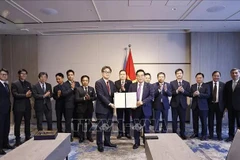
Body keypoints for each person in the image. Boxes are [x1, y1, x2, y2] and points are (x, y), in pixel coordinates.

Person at [129, 69, 154, 149]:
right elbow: (129, 96)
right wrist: (131, 104)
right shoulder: (132, 85)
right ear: (136, 77)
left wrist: (142, 102)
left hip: (145, 109)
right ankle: (137, 143)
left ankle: (146, 143)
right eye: (138, 75)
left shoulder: (149, 85)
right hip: (135, 109)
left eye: (142, 75)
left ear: (144, 76)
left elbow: (151, 96)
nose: (140, 77)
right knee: (136, 127)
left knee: (146, 127)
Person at [95, 66, 117, 152]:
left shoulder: (112, 83)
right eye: (105, 71)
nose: (107, 73)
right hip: (101, 109)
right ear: (102, 73)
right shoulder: (98, 82)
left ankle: (107, 141)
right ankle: (100, 144)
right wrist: (110, 103)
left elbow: (114, 94)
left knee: (108, 127)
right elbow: (100, 95)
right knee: (101, 127)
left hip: (109, 109)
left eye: (109, 72)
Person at [11, 69, 32, 146]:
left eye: (25, 74)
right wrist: (25, 95)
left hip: (27, 107)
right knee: (18, 124)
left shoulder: (28, 83)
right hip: (18, 107)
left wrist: (29, 95)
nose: (24, 75)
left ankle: (27, 136)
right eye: (22, 74)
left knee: (27, 122)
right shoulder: (14, 83)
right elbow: (15, 95)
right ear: (19, 74)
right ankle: (17, 139)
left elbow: (31, 94)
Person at [75, 75, 96, 143]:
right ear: (81, 81)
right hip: (81, 110)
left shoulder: (91, 89)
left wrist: (90, 98)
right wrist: (84, 98)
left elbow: (95, 97)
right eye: (83, 80)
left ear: (88, 81)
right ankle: (81, 137)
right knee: (81, 124)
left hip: (89, 109)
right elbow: (76, 99)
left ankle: (89, 136)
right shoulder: (78, 89)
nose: (85, 82)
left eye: (86, 80)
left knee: (89, 124)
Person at [170, 68, 190, 140]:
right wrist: (177, 91)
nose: (179, 74)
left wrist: (183, 91)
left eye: (180, 73)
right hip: (174, 104)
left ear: (182, 74)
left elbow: (189, 93)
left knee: (182, 120)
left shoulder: (186, 83)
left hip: (183, 105)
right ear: (175, 75)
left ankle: (182, 133)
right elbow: (170, 93)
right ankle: (174, 133)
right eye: (177, 73)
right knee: (174, 120)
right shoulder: (172, 83)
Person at [190, 72, 210, 141]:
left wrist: (199, 94)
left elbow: (208, 95)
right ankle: (195, 133)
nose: (199, 79)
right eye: (197, 78)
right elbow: (190, 94)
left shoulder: (206, 86)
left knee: (203, 121)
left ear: (203, 78)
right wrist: (193, 94)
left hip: (203, 107)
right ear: (196, 78)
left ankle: (204, 134)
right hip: (195, 106)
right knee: (195, 121)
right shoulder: (193, 86)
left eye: (200, 78)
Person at [61, 69, 80, 140]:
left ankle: (75, 133)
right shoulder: (64, 84)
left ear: (74, 75)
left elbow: (79, 92)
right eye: (69, 75)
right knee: (68, 121)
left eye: (72, 75)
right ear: (67, 76)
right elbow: (64, 94)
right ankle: (68, 136)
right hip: (68, 105)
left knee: (76, 120)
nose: (70, 76)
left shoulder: (77, 83)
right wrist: (71, 88)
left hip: (77, 105)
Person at [207, 71, 225, 140]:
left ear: (220, 76)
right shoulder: (207, 84)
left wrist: (225, 107)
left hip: (219, 105)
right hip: (210, 105)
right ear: (212, 76)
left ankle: (219, 134)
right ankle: (211, 134)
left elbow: (225, 97)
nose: (216, 77)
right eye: (215, 75)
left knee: (219, 121)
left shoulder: (223, 85)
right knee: (210, 121)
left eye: (218, 76)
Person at [0, 68, 14, 155]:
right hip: (0, 110)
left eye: (5, 75)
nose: (4, 76)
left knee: (6, 128)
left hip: (7, 110)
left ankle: (5, 143)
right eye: (2, 74)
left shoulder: (6, 85)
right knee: (0, 129)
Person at [115, 70, 132, 139]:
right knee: (120, 118)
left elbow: (131, 91)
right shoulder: (116, 82)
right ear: (119, 75)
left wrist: (125, 90)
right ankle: (120, 132)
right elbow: (115, 91)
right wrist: (120, 90)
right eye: (121, 74)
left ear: (126, 75)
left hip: (127, 103)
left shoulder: (130, 82)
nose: (122, 75)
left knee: (127, 118)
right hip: (119, 103)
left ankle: (127, 132)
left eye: (124, 74)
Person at [224, 68, 240, 142]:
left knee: (239, 122)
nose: (234, 74)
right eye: (233, 73)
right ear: (231, 74)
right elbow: (226, 96)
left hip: (239, 107)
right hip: (230, 107)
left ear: (239, 74)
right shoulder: (227, 83)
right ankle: (231, 136)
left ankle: (238, 137)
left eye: (236, 73)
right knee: (231, 122)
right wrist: (226, 107)